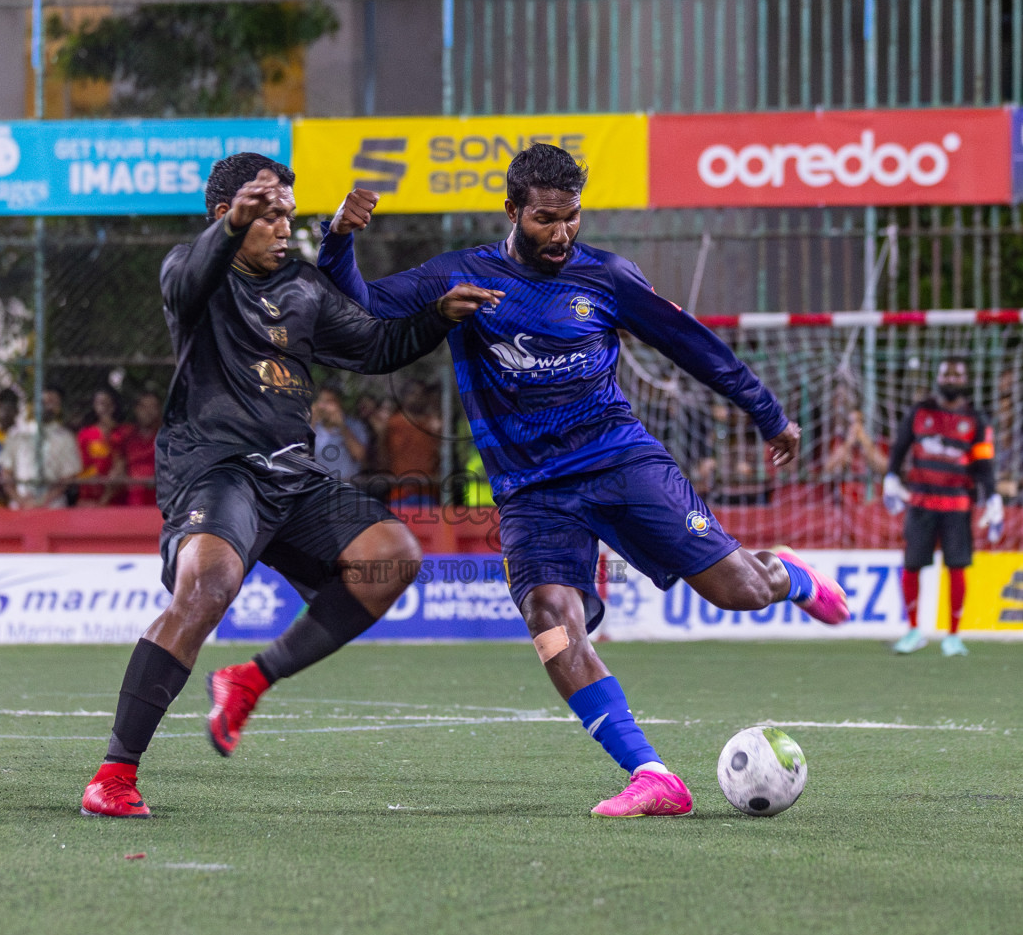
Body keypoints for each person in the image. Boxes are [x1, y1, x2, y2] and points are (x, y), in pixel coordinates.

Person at [316, 143, 847, 818]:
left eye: (571, 217)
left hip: (618, 461)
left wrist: (768, 414)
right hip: (531, 493)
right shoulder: (461, 275)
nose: (562, 233)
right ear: (511, 211)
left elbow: (692, 345)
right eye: (544, 219)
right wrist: (339, 239)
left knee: (738, 590)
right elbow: (360, 303)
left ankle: (790, 576)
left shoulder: (608, 277)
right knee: (552, 623)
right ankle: (652, 776)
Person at [78, 154, 499, 818]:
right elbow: (188, 282)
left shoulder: (302, 286)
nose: (283, 227)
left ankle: (249, 679)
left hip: (292, 476)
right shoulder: (194, 272)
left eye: (288, 215)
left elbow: (375, 348)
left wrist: (440, 314)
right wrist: (226, 232)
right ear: (228, 215)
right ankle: (114, 775)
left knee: (393, 556)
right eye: (268, 214)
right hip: (214, 470)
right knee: (207, 588)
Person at [883, 357, 1002, 657]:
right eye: (946, 373)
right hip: (920, 502)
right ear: (937, 377)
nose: (951, 378)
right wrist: (891, 477)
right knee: (911, 565)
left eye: (957, 373)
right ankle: (913, 630)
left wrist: (993, 496)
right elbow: (899, 448)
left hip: (957, 505)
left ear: (966, 379)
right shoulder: (919, 412)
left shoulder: (976, 420)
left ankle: (953, 635)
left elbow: (984, 464)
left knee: (957, 566)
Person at [0, 385, 81, 509]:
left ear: (58, 407)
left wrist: (43, 500)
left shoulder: (66, 437)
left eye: (51, 402)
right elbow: (6, 472)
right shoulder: (17, 434)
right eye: (42, 402)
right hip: (21, 504)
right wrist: (19, 499)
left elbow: (68, 479)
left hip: (52, 505)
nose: (46, 406)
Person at [77, 386, 130, 506]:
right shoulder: (86, 434)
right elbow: (81, 465)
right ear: (94, 406)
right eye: (100, 403)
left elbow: (124, 461)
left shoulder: (122, 432)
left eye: (108, 403)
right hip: (91, 495)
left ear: (114, 406)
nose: (104, 408)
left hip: (117, 497)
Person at [310, 384, 369, 481]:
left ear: (339, 403)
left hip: (345, 485)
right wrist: (312, 420)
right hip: (317, 486)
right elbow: (300, 452)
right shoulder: (314, 426)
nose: (324, 407)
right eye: (322, 401)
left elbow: (360, 455)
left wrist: (342, 426)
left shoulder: (354, 425)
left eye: (329, 402)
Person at [121, 389, 161, 506]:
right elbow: (120, 464)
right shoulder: (126, 436)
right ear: (136, 410)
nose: (148, 412)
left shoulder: (169, 438)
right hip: (133, 501)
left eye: (153, 407)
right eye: (144, 407)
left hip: (159, 501)